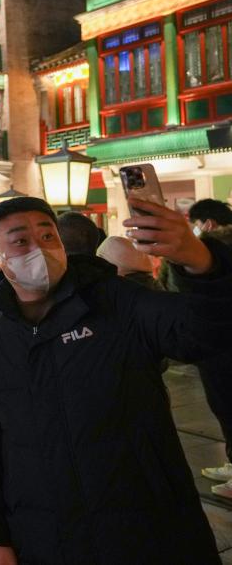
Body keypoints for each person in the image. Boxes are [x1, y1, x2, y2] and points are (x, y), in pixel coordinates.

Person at [0, 196, 231, 564]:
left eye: (48, 236)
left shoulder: (115, 301)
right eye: (21, 241)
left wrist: (202, 264)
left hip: (148, 529)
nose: (39, 249)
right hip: (45, 534)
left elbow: (206, 332)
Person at [161, 198, 232, 499]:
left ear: (208, 224)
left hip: (221, 343)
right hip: (215, 341)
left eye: (195, 224)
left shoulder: (214, 253)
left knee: (227, 404)